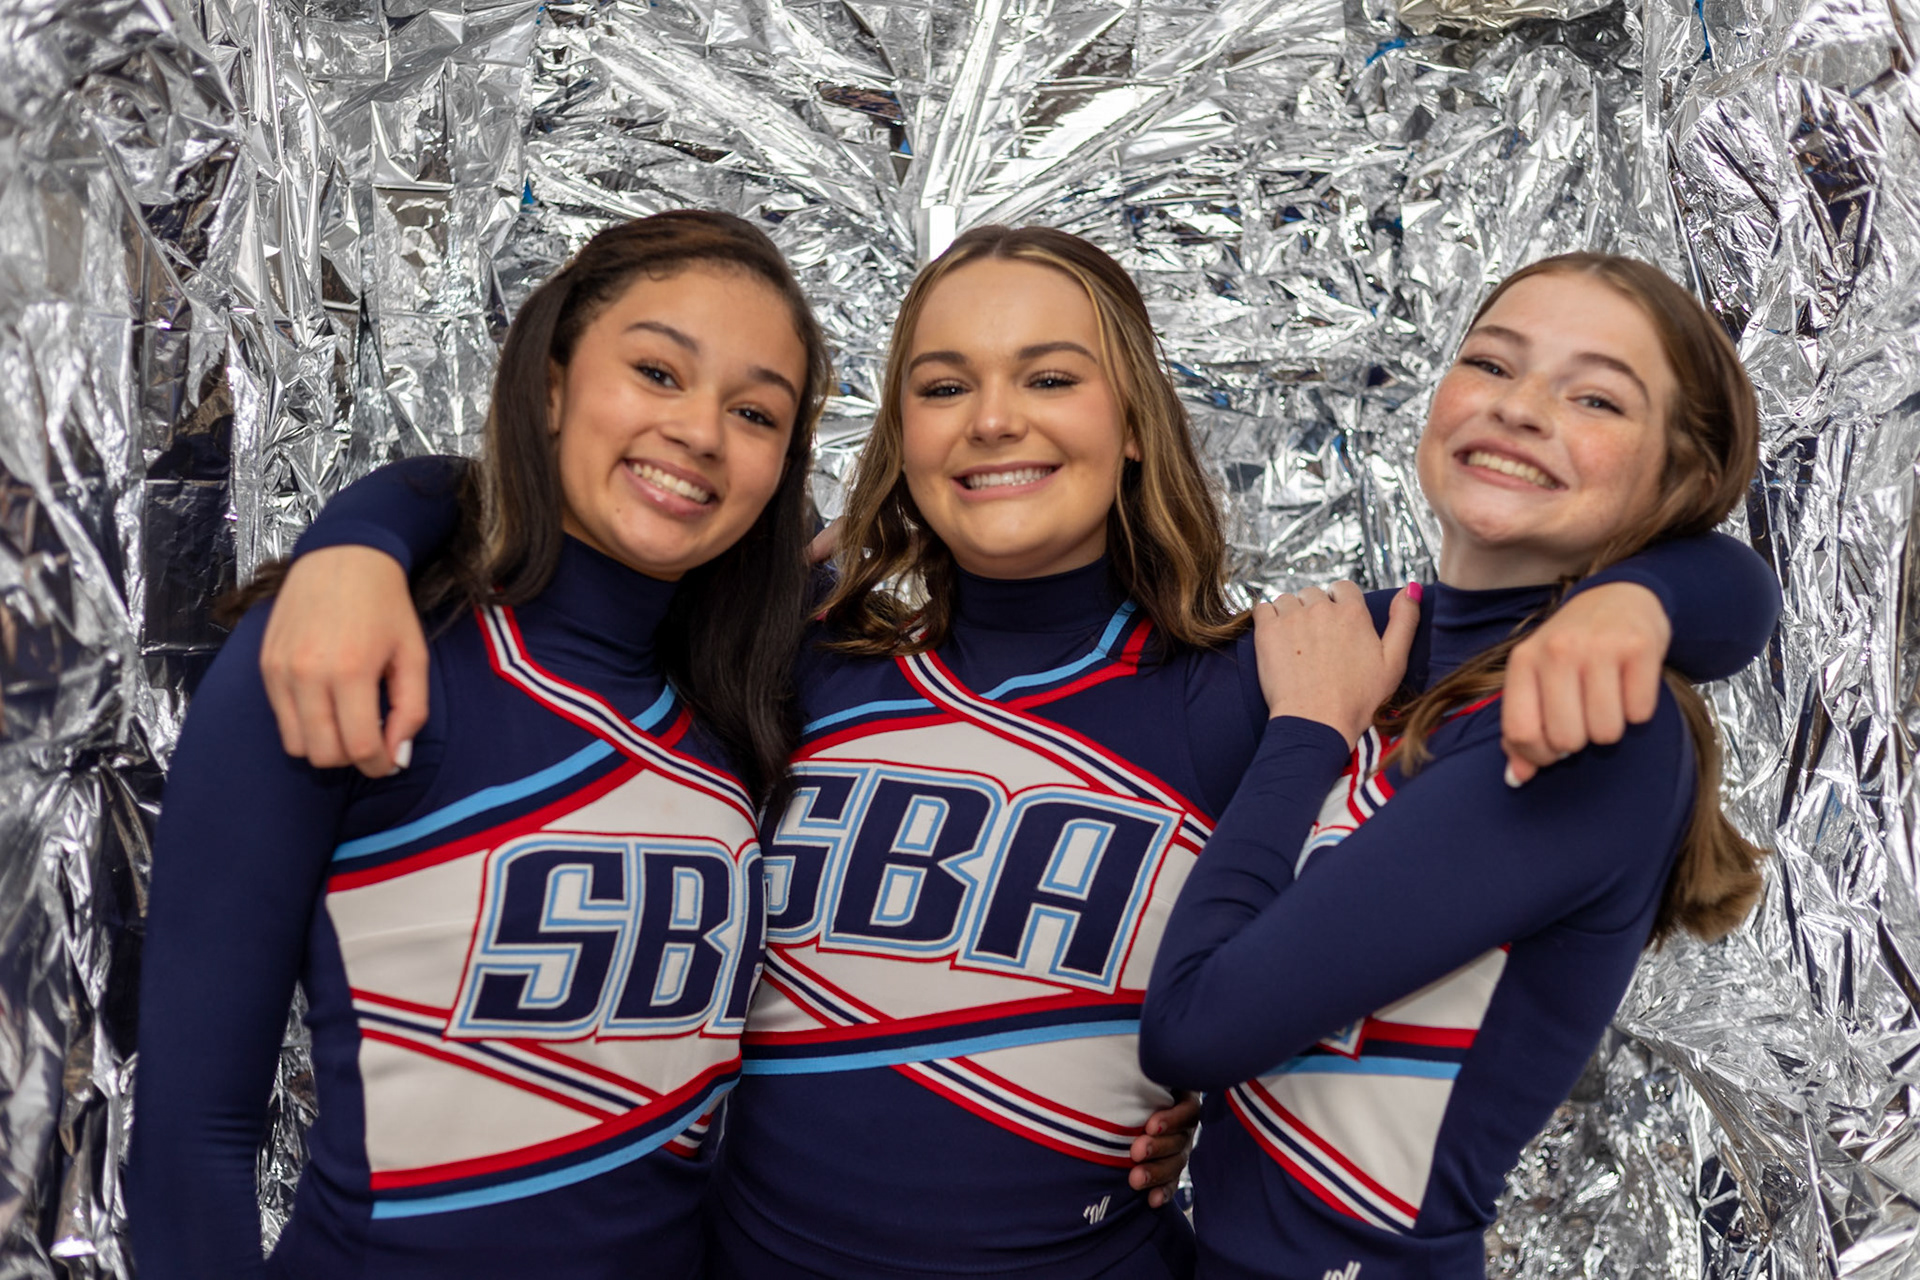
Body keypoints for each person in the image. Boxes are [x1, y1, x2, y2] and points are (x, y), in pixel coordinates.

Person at [251, 229, 1779, 1278]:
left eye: (1052, 377)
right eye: (942, 383)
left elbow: (1550, 609)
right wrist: (356, 534)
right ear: (899, 438)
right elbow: (553, 521)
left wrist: (1656, 592)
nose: (995, 420)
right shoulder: (778, 652)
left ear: (1132, 426)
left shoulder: (1262, 683)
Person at [128, 210, 836, 1279]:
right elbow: (193, 1139)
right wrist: (367, 532)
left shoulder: (748, 704)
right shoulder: (351, 646)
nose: (700, 431)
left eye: (754, 410)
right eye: (656, 370)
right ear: (551, 386)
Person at [1139, 253, 1772, 1279]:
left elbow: (1197, 1026)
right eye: (1492, 363)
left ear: (1685, 479)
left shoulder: (1599, 730)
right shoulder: (1375, 651)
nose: (1521, 408)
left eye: (1596, 395)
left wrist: (1305, 733)